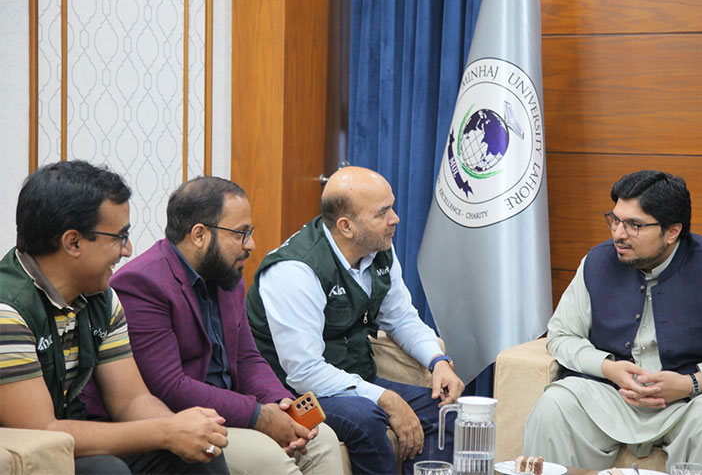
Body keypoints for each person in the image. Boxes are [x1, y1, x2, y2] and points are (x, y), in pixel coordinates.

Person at [521, 170, 702, 474]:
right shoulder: (596, 262)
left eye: (634, 225)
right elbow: (561, 335)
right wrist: (609, 368)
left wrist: (691, 383)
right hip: (613, 393)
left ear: (672, 231)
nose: (619, 234)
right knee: (554, 405)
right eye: (615, 220)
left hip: (693, 402)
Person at [83, 176, 342, 475]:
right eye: (241, 233)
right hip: (187, 420)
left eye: (250, 232)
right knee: (269, 461)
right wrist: (259, 416)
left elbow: (247, 358)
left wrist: (279, 403)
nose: (251, 245)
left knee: (322, 438)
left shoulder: (226, 275)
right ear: (199, 235)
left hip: (238, 413)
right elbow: (169, 387)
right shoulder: (141, 284)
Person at [0, 160, 229, 475]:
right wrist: (165, 431)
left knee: (197, 454)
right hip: (23, 449)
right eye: (120, 236)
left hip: (65, 441)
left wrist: (180, 429)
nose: (128, 250)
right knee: (105, 470)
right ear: (73, 242)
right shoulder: (7, 310)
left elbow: (130, 400)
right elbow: (43, 432)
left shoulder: (101, 298)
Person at [246, 166, 465, 475]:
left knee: (442, 408)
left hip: (355, 379)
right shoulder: (295, 271)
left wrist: (437, 360)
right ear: (346, 226)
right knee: (366, 418)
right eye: (382, 212)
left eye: (392, 207)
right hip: (294, 394)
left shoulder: (377, 250)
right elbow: (303, 372)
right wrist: (385, 398)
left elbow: (401, 318)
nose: (395, 219)